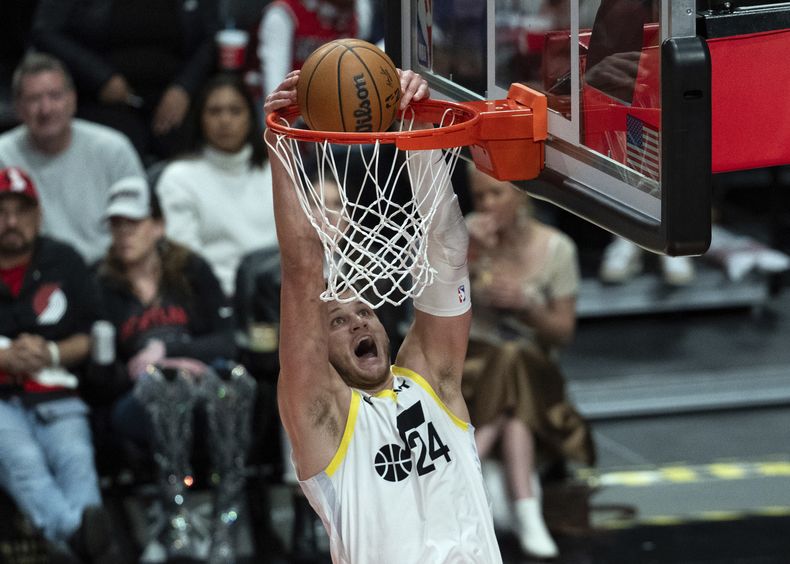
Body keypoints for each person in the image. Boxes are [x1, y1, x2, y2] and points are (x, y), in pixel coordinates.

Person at [264, 70, 503, 563]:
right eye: (337, 322)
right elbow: (304, 269)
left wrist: (414, 128)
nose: (357, 322)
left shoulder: (432, 379)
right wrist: (281, 140)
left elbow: (448, 250)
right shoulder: (323, 417)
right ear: (321, 352)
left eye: (364, 311)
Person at [91, 175, 256, 562]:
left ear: (158, 225)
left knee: (235, 382)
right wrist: (149, 370)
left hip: (204, 391)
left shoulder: (192, 270)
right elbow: (102, 376)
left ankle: (225, 523)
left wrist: (169, 351)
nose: (125, 233)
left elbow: (228, 342)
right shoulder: (99, 284)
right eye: (117, 225)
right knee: (166, 386)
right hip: (136, 401)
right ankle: (175, 517)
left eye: (134, 222)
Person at [463, 165, 596, 559]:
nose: (487, 205)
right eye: (480, 196)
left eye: (496, 194)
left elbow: (562, 333)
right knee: (509, 363)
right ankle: (527, 508)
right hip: (473, 368)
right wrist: (469, 261)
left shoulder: (557, 248)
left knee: (516, 358)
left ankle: (470, 457)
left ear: (522, 194)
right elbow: (435, 315)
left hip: (536, 370)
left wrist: (527, 307)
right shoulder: (467, 234)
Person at [0, 166, 127, 563]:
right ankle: (82, 539)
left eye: (20, 211)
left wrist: (52, 353)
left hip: (57, 389)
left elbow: (93, 334)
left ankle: (76, 540)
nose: (10, 222)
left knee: (76, 462)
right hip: (1, 398)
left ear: (38, 215)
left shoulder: (64, 260)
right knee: (23, 462)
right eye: (1, 212)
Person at [31, 0, 220, 162]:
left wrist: (184, 87)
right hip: (102, 97)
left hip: (175, 97)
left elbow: (212, 37)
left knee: (189, 158)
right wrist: (100, 77)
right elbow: (46, 31)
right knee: (114, 152)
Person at [0, 52, 144, 264]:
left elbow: (140, 223)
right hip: (33, 273)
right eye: (34, 99)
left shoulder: (113, 149)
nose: (46, 109)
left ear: (72, 100)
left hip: (109, 270)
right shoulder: (3, 154)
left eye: (55, 96)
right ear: (18, 108)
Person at [156, 73, 276, 297]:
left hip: (278, 293)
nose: (225, 120)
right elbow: (186, 259)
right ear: (200, 118)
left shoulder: (276, 170)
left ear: (250, 116)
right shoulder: (179, 177)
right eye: (214, 111)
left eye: (235, 111)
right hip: (212, 300)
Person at [257, 0, 374, 101]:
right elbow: (275, 86)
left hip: (343, 104)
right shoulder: (283, 13)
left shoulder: (362, 9)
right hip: (297, 108)